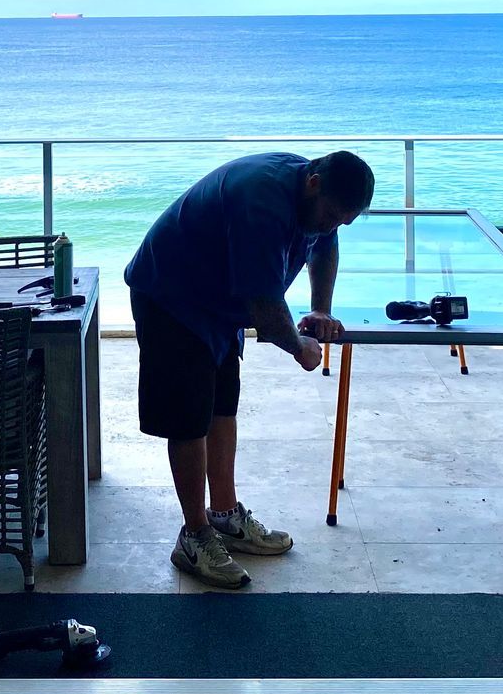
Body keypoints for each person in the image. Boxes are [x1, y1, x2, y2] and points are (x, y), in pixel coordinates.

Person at [124, 149, 375, 588]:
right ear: (313, 183)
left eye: (344, 221)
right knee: (188, 422)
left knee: (222, 405)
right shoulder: (261, 201)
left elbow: (324, 244)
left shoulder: (317, 195)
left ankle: (224, 516)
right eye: (332, 215)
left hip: (217, 303)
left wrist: (320, 308)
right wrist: (300, 347)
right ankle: (194, 536)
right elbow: (264, 306)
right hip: (171, 295)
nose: (332, 226)